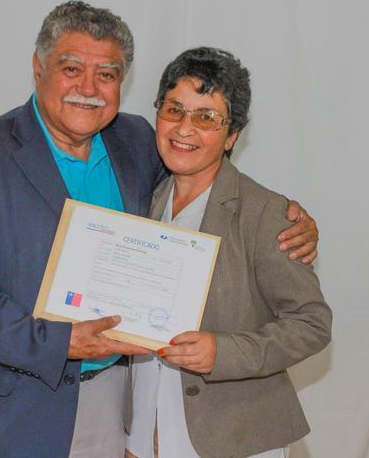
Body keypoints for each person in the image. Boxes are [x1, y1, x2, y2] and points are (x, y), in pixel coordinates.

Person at [0, 2, 320, 457]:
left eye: (107, 75)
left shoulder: (136, 141)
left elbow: (206, 187)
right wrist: (59, 342)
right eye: (71, 68)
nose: (88, 88)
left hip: (114, 406)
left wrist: (293, 218)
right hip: (8, 409)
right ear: (38, 68)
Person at [125, 48, 332, 458]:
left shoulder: (265, 212)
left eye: (206, 117)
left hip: (235, 438)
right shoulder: (141, 198)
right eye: (174, 109)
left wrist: (223, 353)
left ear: (232, 135)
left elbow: (312, 324)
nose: (185, 128)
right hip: (145, 431)